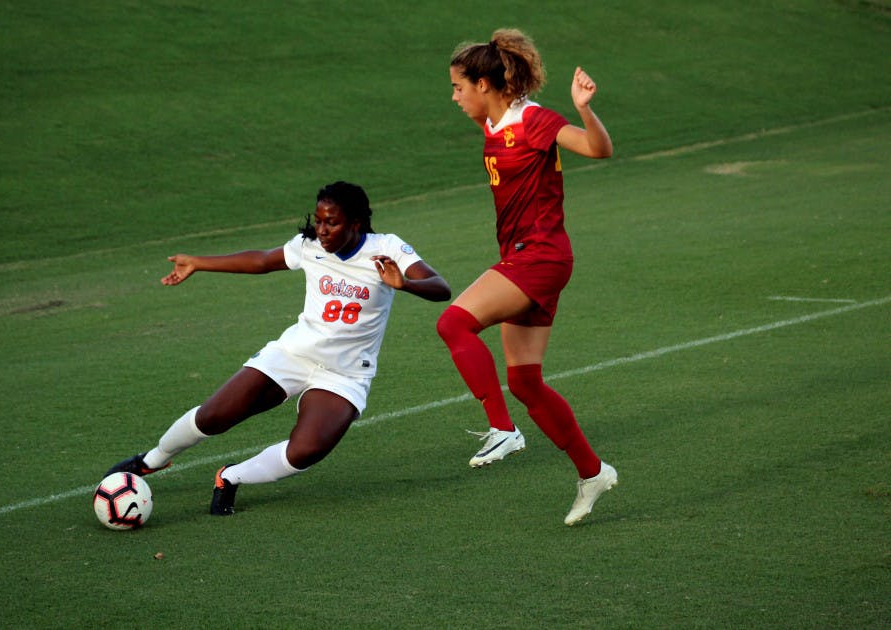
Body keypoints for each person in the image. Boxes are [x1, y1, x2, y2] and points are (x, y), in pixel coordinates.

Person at [106, 181, 451, 515]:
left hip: (344, 374)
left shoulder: (387, 248)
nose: (322, 229)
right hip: (292, 355)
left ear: (356, 223)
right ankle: (150, 460)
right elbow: (260, 261)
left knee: (306, 451)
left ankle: (230, 477)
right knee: (214, 416)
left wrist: (403, 284)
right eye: (318, 220)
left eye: (332, 222)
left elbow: (440, 287)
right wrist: (198, 261)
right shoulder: (310, 245)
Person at [437, 28, 617, 525]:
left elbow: (597, 149)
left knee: (453, 324)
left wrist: (583, 108)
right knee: (525, 381)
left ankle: (502, 430)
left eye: (458, 87)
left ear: (484, 85)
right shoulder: (495, 128)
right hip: (529, 258)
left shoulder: (532, 119)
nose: (454, 97)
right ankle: (592, 471)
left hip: (539, 257)